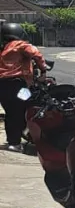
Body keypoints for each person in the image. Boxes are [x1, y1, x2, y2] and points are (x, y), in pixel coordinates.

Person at [0, 22, 47, 150]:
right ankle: (18, 140)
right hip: (18, 85)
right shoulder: (21, 45)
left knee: (11, 113)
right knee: (26, 108)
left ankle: (13, 142)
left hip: (2, 86)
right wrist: (43, 70)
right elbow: (36, 54)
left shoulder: (3, 48)